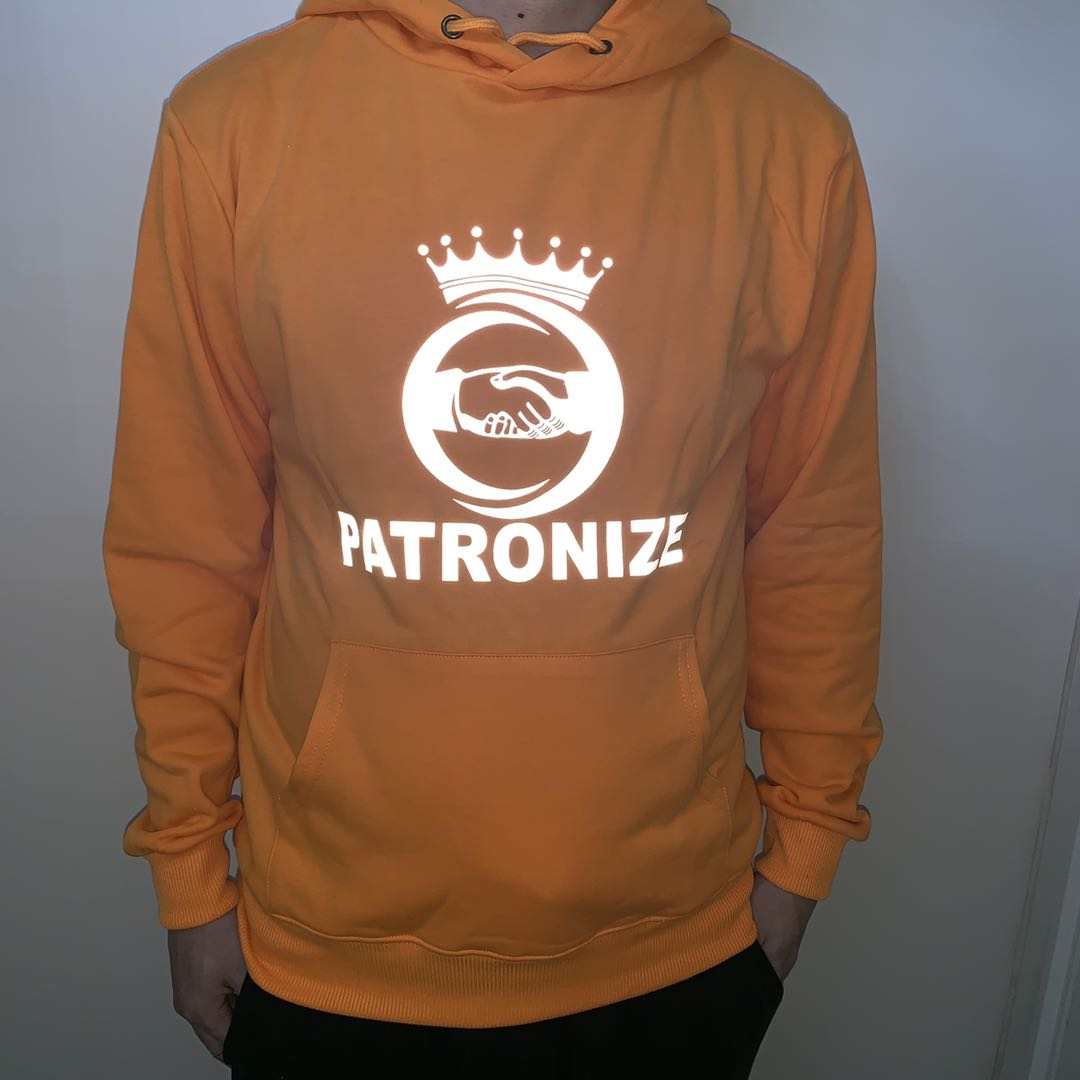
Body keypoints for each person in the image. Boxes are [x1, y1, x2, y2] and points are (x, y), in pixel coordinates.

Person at [101, 0, 885, 1076]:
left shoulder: (786, 137)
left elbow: (816, 534)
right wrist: (190, 873)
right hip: (327, 942)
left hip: (676, 948)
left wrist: (803, 855)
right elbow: (186, 538)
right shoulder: (235, 122)